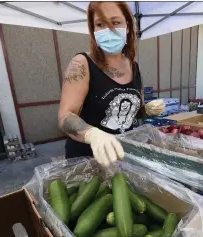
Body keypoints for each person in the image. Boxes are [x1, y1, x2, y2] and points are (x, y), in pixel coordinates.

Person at [58, 2, 165, 167]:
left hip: (123, 157)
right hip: (87, 163)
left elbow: (134, 113)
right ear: (93, 30)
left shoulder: (133, 66)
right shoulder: (82, 64)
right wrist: (92, 134)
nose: (108, 30)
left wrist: (147, 109)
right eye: (100, 24)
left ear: (128, 26)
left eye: (115, 22)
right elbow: (65, 117)